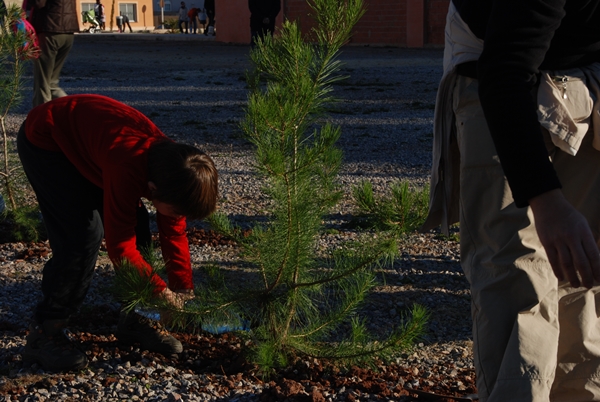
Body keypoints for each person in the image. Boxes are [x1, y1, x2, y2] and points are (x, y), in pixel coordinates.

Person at [422, 1, 600, 401]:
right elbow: (505, 74)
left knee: (585, 276)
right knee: (518, 279)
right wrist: (547, 201)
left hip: (584, 66)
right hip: (493, 62)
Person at [17, 94, 219, 372]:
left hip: (92, 144)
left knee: (137, 224)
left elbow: (174, 231)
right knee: (82, 237)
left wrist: (183, 288)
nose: (177, 217)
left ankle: (135, 318)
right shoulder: (127, 166)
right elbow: (119, 248)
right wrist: (161, 293)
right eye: (175, 210)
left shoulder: (173, 168)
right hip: (48, 142)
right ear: (152, 188)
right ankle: (46, 331)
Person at [27, 0, 79, 108]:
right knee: (52, 84)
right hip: (68, 32)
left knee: (43, 84)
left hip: (50, 31)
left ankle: (42, 120)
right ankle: (73, 111)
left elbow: (38, 3)